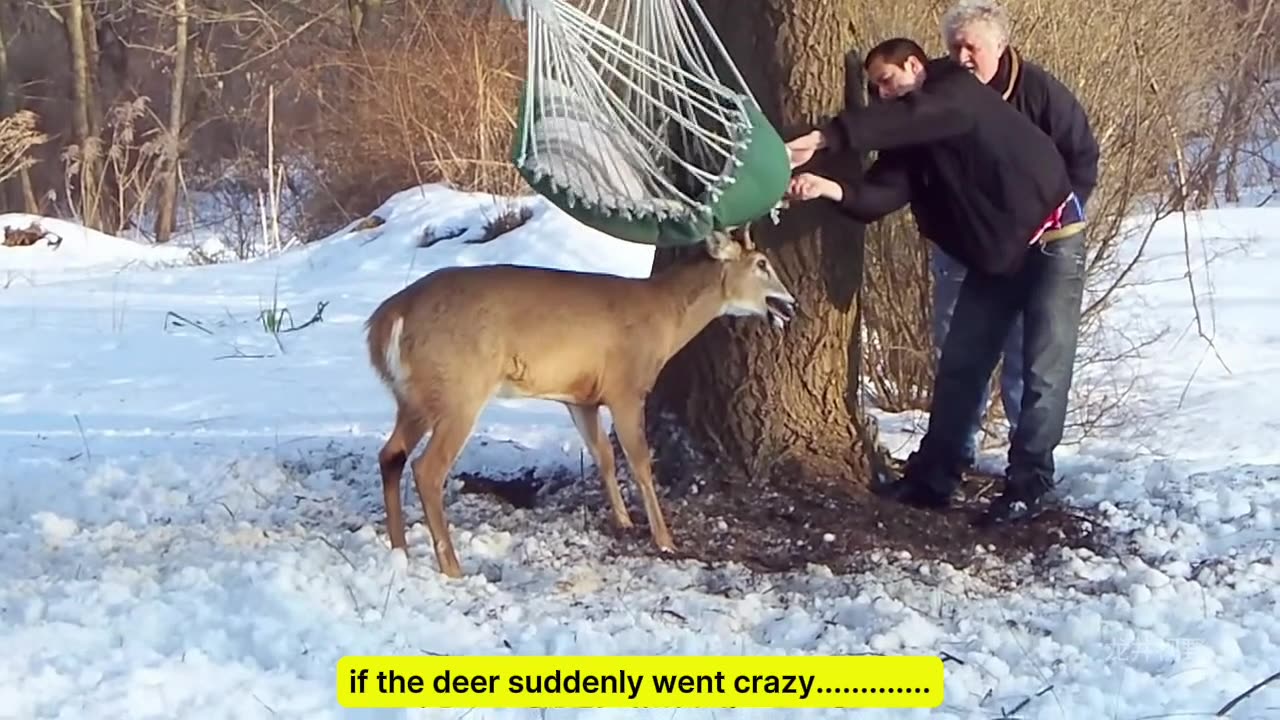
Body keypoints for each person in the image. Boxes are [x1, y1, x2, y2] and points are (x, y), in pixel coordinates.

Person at [785, 37, 1088, 525]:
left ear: (914, 65)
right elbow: (882, 192)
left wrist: (826, 137)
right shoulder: (915, 132)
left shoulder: (956, 90)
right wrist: (827, 187)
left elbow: (911, 118)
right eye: (874, 89)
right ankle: (935, 477)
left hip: (1054, 238)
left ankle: (1029, 482)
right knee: (961, 365)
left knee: (1042, 369)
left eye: (887, 81)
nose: (883, 95)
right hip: (996, 256)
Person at [927, 0, 1099, 469]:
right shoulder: (939, 88)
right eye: (954, 47)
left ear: (1000, 48)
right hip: (966, 245)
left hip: (1038, 245)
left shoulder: (1039, 92)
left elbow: (1081, 157)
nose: (962, 57)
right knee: (957, 352)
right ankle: (952, 454)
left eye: (972, 48)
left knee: (1031, 358)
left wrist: (1058, 220)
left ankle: (1027, 470)